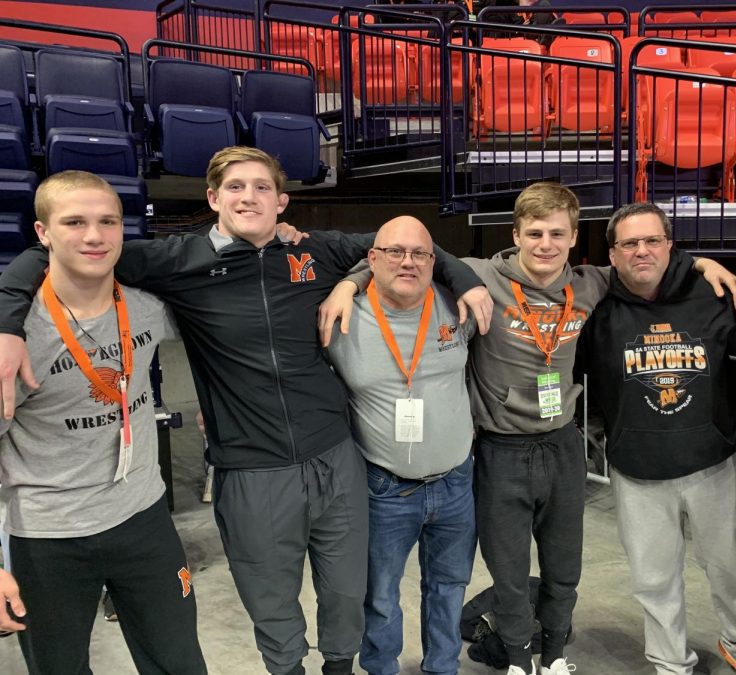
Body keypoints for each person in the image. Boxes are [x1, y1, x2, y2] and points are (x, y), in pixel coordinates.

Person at [0, 147, 492, 675]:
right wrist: (8, 323)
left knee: (348, 594)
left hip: (335, 454)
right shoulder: (178, 260)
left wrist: (457, 280)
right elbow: (56, 251)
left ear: (282, 202)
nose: (248, 197)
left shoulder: (317, 252)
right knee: (273, 605)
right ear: (213, 198)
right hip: (252, 468)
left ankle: (339, 668)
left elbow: (409, 246)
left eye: (262, 187)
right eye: (235, 187)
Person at [320, 182, 736, 675]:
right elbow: (410, 255)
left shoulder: (590, 283)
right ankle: (518, 658)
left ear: (572, 238)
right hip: (499, 450)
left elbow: (640, 257)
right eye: (535, 232)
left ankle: (556, 652)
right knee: (505, 571)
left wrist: (697, 263)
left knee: (564, 566)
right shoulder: (480, 277)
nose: (546, 244)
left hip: (562, 443)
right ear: (516, 235)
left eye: (557, 234)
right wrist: (348, 283)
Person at [0, 171, 206, 674]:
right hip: (50, 536)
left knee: (180, 662)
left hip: (144, 517)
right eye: (74, 222)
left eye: (107, 221)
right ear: (43, 233)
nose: (94, 236)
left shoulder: (147, 306)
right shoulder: (16, 340)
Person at [575, 202, 736, 675]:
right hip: (638, 470)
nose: (642, 251)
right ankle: (669, 663)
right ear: (613, 254)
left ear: (670, 245)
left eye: (652, 241)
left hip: (715, 463)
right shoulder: (595, 304)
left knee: (730, 570)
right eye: (629, 243)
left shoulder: (715, 293)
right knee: (653, 579)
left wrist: (704, 264)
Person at [327, 215, 477, 675]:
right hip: (385, 488)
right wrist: (346, 286)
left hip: (456, 482)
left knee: (449, 587)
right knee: (381, 594)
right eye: (394, 252)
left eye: (420, 254)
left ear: (436, 262)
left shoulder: (459, 305)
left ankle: (442, 668)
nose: (407, 262)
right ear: (371, 258)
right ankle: (381, 668)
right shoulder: (338, 316)